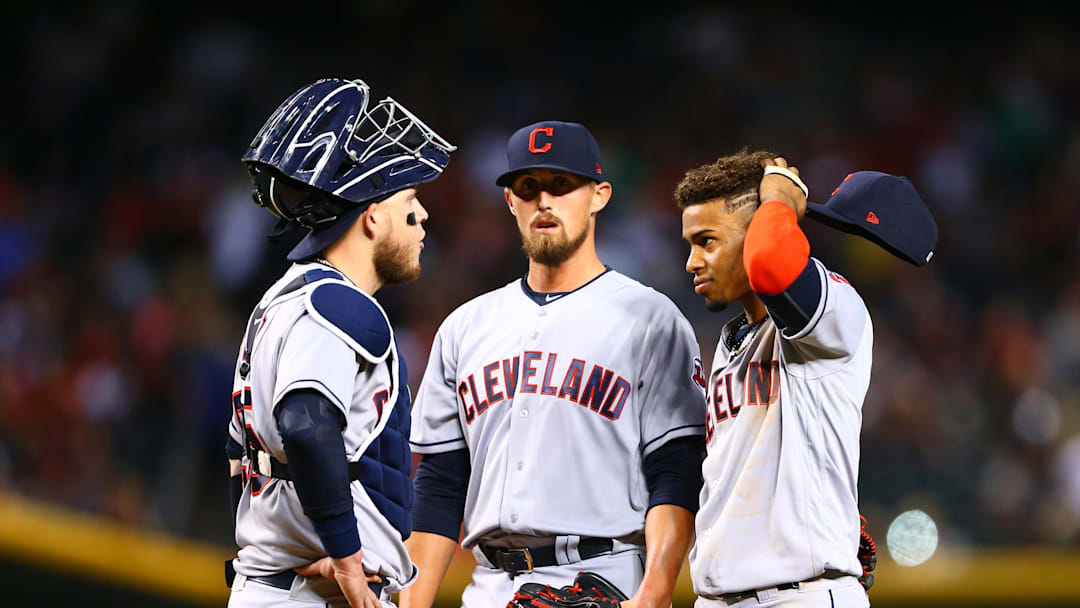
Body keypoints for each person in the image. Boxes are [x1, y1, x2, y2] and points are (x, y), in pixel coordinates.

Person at [402, 121, 707, 608]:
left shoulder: (650, 318)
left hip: (605, 578)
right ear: (510, 202)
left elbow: (677, 470)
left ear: (599, 195)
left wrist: (656, 590)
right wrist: (412, 603)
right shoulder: (466, 326)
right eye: (528, 187)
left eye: (562, 185)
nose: (544, 200)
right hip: (486, 585)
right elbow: (440, 484)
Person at [225, 78, 455, 608]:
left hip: (287, 584)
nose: (422, 219)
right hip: (311, 594)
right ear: (373, 215)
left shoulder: (282, 298)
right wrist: (350, 565)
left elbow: (238, 455)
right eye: (410, 202)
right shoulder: (340, 307)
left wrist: (270, 547)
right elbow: (307, 427)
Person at [677, 151, 880, 607]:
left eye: (707, 241)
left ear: (756, 232)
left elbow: (771, 264)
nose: (692, 261)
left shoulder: (835, 310)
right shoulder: (731, 345)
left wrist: (779, 201)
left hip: (797, 595)